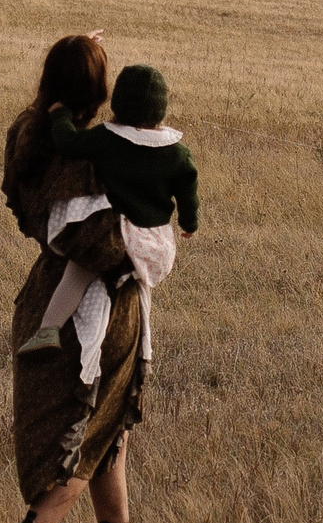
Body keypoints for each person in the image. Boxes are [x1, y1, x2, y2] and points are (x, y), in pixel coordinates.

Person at [0, 33, 166, 523]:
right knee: (85, 441)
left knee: (109, 434)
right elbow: (109, 243)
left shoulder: (30, 136)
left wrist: (78, 57)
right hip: (102, 313)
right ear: (100, 88)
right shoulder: (98, 158)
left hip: (44, 297)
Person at [17, 65, 200, 356]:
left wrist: (60, 114)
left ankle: (48, 328)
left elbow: (69, 144)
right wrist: (190, 223)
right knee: (134, 295)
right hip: (153, 245)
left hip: (115, 235)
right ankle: (140, 353)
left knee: (78, 269)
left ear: (118, 103)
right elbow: (188, 193)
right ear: (161, 108)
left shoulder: (106, 138)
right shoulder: (177, 153)